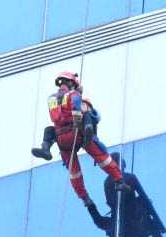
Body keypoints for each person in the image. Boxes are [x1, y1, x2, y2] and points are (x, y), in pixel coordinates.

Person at [37, 71, 130, 207]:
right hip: (78, 133)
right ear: (72, 83)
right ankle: (119, 181)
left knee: (73, 171)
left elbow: (57, 115)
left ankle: (84, 197)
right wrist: (79, 107)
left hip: (62, 139)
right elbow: (83, 109)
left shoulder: (51, 99)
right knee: (102, 156)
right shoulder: (74, 95)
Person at [87, 152, 166, 237]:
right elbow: (144, 198)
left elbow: (110, 203)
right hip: (131, 224)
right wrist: (158, 225)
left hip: (127, 227)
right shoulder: (128, 177)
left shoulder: (109, 182)